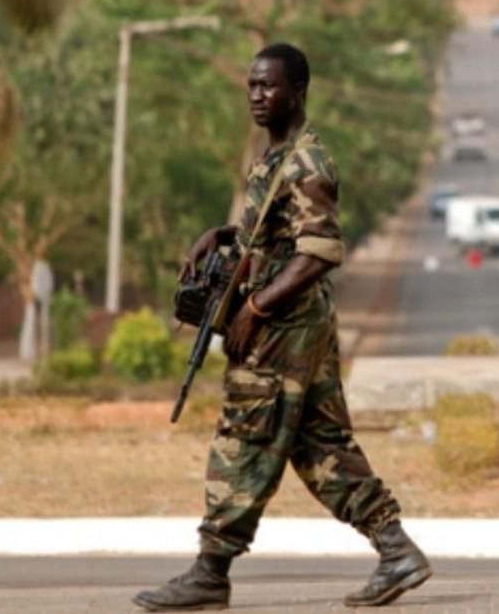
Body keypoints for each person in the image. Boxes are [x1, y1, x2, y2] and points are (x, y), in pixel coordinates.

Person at [134, 43, 430, 611]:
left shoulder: (307, 162)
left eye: (268, 86)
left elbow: (318, 251)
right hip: (294, 324)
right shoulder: (274, 159)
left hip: (284, 325)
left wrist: (257, 308)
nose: (256, 96)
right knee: (321, 442)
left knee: (245, 436)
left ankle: (210, 572)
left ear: (297, 90)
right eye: (251, 86)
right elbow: (279, 236)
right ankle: (397, 550)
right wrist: (225, 236)